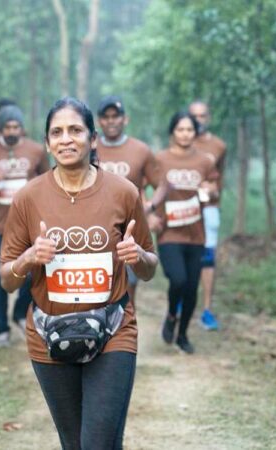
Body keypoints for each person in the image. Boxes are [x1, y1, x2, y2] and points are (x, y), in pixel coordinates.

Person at [0, 97, 158, 449]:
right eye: (57, 132)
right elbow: (7, 279)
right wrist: (28, 258)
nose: (66, 139)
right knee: (76, 444)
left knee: (97, 443)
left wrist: (137, 256)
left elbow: (149, 268)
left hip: (114, 329)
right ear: (47, 143)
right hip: (48, 335)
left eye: (75, 130)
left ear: (93, 138)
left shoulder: (124, 192)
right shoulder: (28, 198)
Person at [0, 105, 50, 348]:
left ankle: (20, 312)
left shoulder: (36, 150)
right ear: (0, 129)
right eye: (7, 128)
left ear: (22, 128)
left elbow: (49, 183)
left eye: (16, 127)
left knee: (31, 274)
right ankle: (1, 329)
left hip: (28, 227)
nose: (12, 132)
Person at [147, 111, 218, 354]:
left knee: (191, 287)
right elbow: (144, 187)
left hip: (195, 234)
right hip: (169, 233)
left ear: (195, 133)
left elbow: (211, 195)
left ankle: (183, 334)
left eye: (189, 130)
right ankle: (171, 314)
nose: (185, 134)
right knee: (178, 279)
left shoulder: (205, 161)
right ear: (172, 133)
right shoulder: (160, 159)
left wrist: (208, 190)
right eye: (180, 130)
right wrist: (149, 214)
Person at [95, 95, 158, 307]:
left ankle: (126, 330)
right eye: (106, 117)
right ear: (99, 121)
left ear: (125, 119)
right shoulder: (88, 149)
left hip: (130, 228)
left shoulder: (141, 150)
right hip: (95, 225)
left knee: (129, 283)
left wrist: (151, 207)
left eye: (116, 116)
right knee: (98, 285)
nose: (111, 121)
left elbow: (162, 183)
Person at [189, 100, 227, 331]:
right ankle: (182, 303)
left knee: (208, 258)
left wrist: (213, 190)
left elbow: (219, 178)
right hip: (182, 210)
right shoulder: (180, 141)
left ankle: (206, 310)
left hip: (209, 208)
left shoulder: (219, 146)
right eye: (194, 116)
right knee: (185, 257)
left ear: (208, 118)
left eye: (202, 116)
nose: (198, 120)